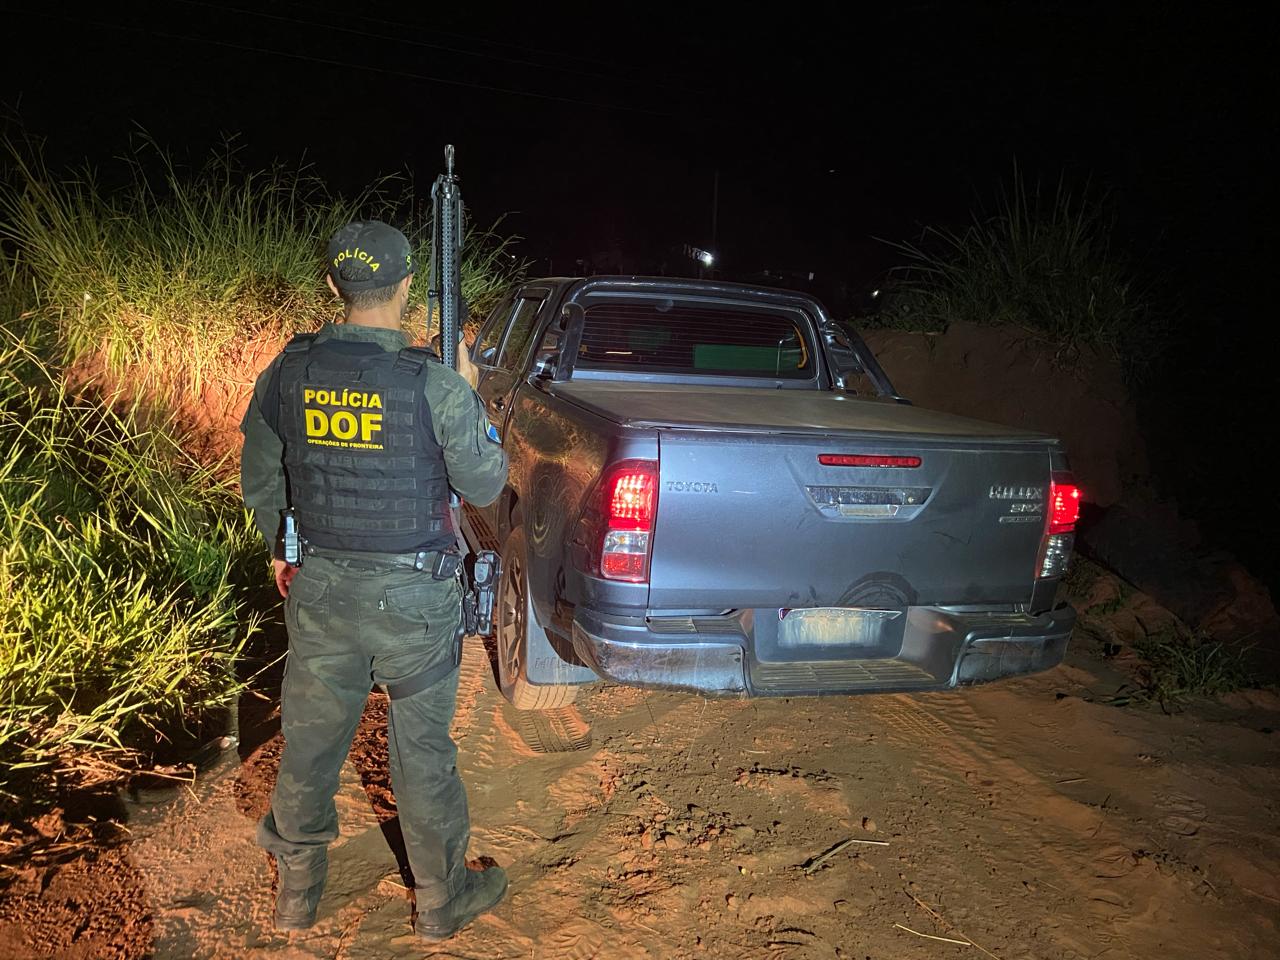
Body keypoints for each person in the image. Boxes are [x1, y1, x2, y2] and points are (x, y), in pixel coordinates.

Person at [238, 219, 508, 941]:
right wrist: (471, 391)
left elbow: (262, 478)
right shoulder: (436, 384)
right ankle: (442, 902)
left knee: (310, 743)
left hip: (321, 589)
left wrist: (281, 550)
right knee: (421, 753)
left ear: (334, 286)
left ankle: (296, 898)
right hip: (415, 602)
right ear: (408, 286)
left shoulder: (288, 370)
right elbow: (484, 487)